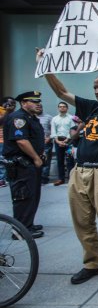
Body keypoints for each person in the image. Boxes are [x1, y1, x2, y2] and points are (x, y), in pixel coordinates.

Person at [37, 41, 98, 288]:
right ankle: (93, 262)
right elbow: (62, 93)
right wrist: (46, 67)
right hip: (80, 171)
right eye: (95, 88)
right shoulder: (91, 108)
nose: (97, 91)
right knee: (82, 222)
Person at [2, 91, 45, 238]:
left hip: (29, 164)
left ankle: (27, 225)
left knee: (32, 195)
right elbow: (21, 141)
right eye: (33, 101)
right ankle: (20, 231)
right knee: (23, 196)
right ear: (24, 103)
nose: (38, 103)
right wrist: (36, 158)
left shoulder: (30, 117)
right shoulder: (18, 118)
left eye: (39, 101)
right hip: (21, 164)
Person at [50, 101, 75, 186]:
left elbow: (72, 130)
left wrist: (66, 140)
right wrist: (57, 141)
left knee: (70, 161)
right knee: (59, 160)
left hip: (69, 141)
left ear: (67, 108)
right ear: (58, 108)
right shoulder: (54, 119)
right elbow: (53, 131)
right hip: (58, 141)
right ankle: (61, 179)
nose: (62, 108)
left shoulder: (71, 118)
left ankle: (72, 179)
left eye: (64, 106)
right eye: (60, 106)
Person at [0, 96, 17, 188]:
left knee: (7, 160)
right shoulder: (1, 111)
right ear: (4, 104)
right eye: (10, 103)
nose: (12, 105)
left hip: (11, 140)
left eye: (14, 104)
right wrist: (7, 111)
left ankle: (7, 178)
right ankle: (2, 179)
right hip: (1, 140)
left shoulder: (15, 113)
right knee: (2, 160)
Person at [38, 109, 53, 184]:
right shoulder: (31, 117)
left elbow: (53, 129)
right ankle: (37, 177)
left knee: (46, 160)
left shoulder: (48, 117)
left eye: (40, 106)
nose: (38, 107)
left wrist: (49, 138)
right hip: (35, 142)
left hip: (46, 141)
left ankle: (44, 178)